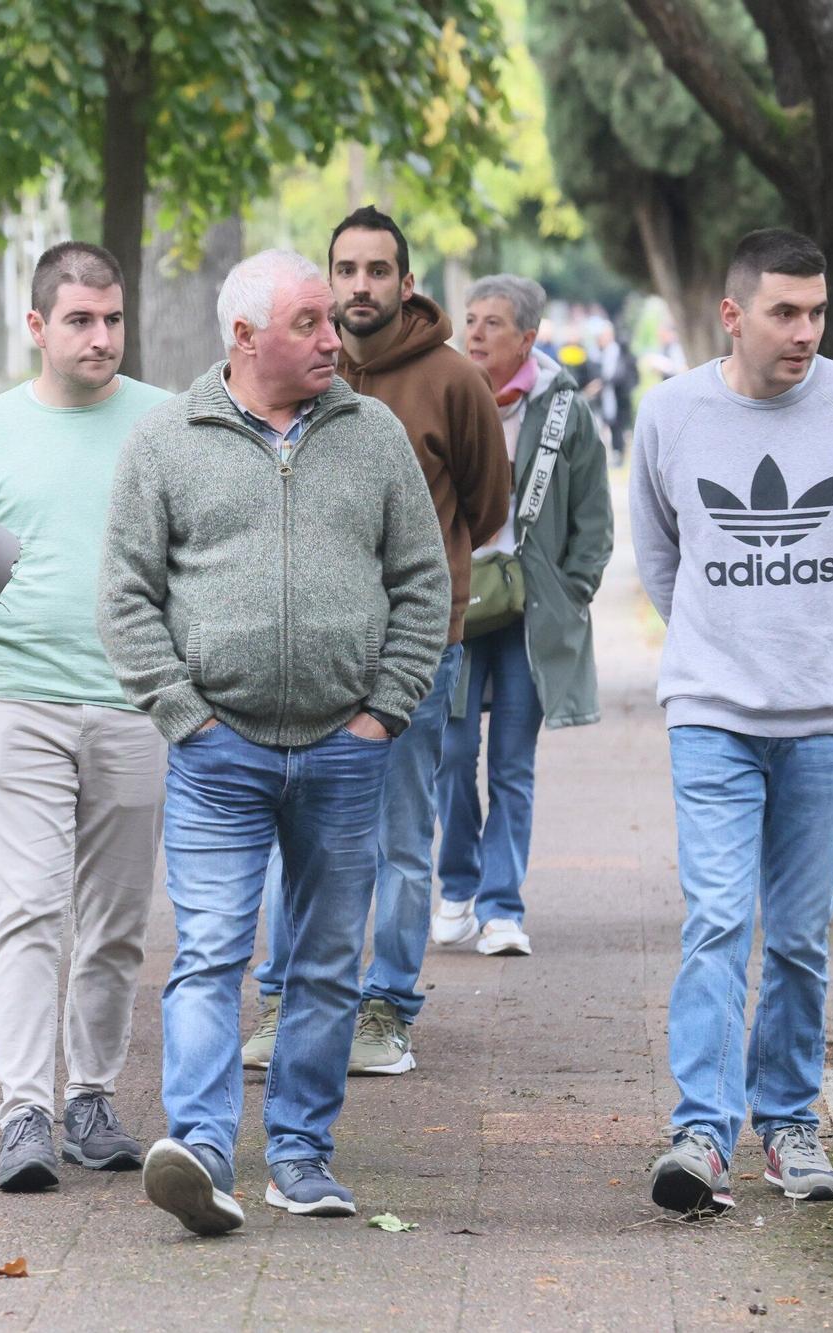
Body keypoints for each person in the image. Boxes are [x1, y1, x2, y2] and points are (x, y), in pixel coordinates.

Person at [99, 249, 449, 1236]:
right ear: (244, 337)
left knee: (330, 961)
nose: (332, 337)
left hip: (346, 751)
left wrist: (384, 709)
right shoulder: (166, 440)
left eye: (330, 321)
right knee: (209, 952)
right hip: (218, 753)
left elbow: (422, 584)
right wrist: (183, 715)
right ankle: (203, 1152)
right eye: (307, 323)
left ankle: (299, 1154)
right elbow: (124, 598)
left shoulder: (371, 434)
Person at [630, 228, 833, 1213]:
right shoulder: (670, 415)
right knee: (716, 918)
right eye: (783, 312)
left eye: (816, 312)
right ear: (731, 315)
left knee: (794, 933)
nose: (804, 331)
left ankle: (787, 1124)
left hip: (827, 715)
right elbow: (660, 558)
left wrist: (820, 642)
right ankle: (700, 1136)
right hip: (711, 707)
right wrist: (730, 642)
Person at [242, 207, 512, 1078]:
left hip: (416, 654)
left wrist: (428, 592)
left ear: (405, 280)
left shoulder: (452, 381)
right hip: (307, 654)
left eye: (377, 269)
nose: (360, 285)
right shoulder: (294, 368)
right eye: (345, 269)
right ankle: (283, 998)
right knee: (299, 832)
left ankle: (386, 1007)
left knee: (401, 835)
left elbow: (487, 506)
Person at [0, 242, 173, 1193]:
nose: (101, 336)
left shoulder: (166, 424)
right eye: (80, 319)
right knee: (28, 907)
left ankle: (92, 1100)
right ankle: (25, 1111)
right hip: (19, 699)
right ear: (39, 326)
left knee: (115, 920)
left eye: (112, 318)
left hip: (132, 702)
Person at [434, 275, 613, 959]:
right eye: (470, 320)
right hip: (452, 603)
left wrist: (573, 587)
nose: (474, 333)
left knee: (511, 761)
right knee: (450, 755)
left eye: (492, 323)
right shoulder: (445, 397)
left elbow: (594, 516)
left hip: (529, 614)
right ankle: (457, 887)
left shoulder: (565, 413)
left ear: (529, 338)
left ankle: (502, 907)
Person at [582, 323, 639, 463]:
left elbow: (623, 374)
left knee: (617, 429)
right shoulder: (593, 354)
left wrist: (603, 382)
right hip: (598, 398)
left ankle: (618, 455)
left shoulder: (620, 352)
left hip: (617, 397)